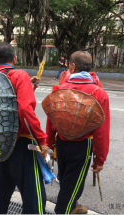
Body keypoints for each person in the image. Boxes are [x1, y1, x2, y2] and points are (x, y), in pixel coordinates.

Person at [46, 51, 110, 214]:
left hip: (61, 141)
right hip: (82, 145)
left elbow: (51, 118)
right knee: (74, 184)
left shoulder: (61, 89)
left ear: (72, 66)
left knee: (67, 179)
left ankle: (72, 206)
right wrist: (100, 158)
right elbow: (102, 130)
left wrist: (49, 144)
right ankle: (63, 210)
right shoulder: (98, 93)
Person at [0, 42, 48, 214]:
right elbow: (24, 109)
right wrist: (41, 139)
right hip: (21, 144)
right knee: (34, 198)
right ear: (15, 58)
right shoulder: (19, 75)